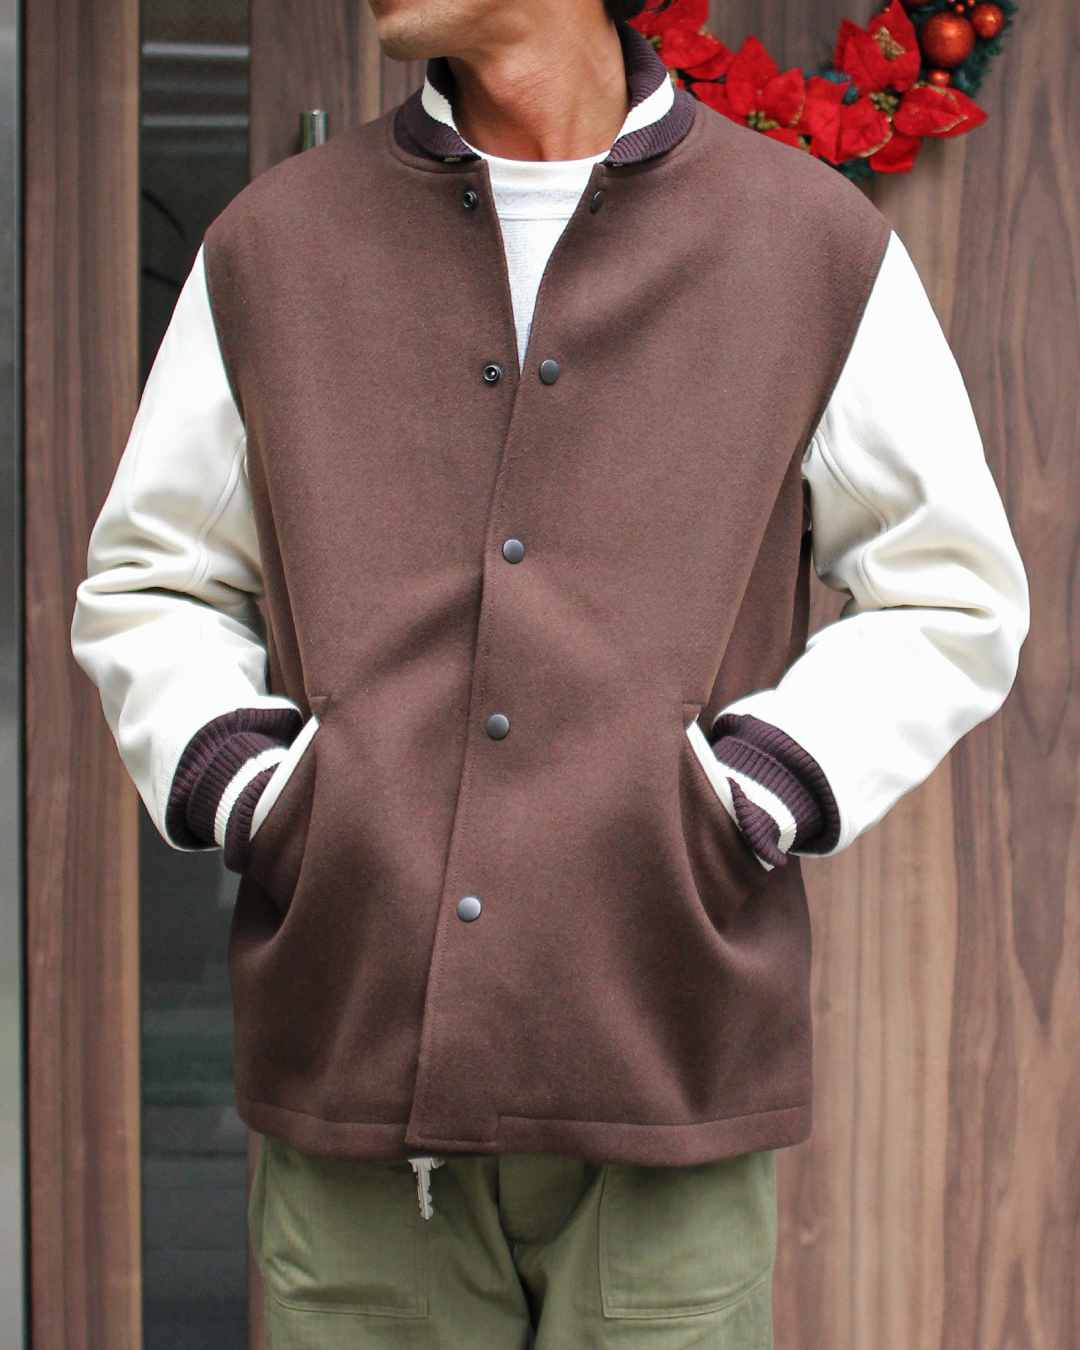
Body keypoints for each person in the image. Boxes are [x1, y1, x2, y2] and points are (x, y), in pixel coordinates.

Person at [72, 0, 1028, 1343]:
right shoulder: (274, 246)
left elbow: (951, 591)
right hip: (355, 1057)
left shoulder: (809, 246)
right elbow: (152, 584)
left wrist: (747, 795)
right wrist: (268, 798)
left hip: (665, 1050)